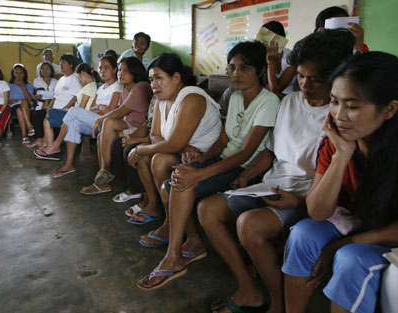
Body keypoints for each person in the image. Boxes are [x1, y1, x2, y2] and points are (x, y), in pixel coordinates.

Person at [198, 29, 355, 313]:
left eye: (314, 79)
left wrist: (297, 201)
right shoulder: (290, 102)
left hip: (305, 195)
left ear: (336, 78)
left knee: (249, 225)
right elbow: (270, 152)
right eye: (301, 76)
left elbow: (333, 182)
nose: (304, 84)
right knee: (208, 209)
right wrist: (248, 176)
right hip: (271, 184)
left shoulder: (339, 118)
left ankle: (279, 304)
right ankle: (249, 288)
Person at [282, 52, 398, 313]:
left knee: (351, 259)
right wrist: (341, 156)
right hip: (363, 218)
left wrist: (349, 242)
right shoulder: (336, 139)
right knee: (303, 234)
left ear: (389, 109)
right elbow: (317, 211)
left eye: (352, 106)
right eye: (335, 102)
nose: (339, 115)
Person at [137, 41, 280, 290]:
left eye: (244, 68)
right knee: (177, 179)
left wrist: (202, 172)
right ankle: (190, 244)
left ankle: (174, 257)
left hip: (245, 168)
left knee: (183, 181)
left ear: (259, 70)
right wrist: (203, 158)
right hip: (223, 159)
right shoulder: (235, 97)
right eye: (232, 67)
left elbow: (246, 152)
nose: (235, 74)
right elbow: (224, 140)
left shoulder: (269, 101)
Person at [122, 53, 221, 225]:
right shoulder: (163, 100)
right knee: (147, 158)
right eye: (151, 80)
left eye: (159, 78)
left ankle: (170, 223)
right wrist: (180, 148)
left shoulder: (191, 98)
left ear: (176, 78)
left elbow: (172, 143)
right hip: (184, 152)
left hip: (206, 156)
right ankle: (154, 206)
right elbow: (154, 135)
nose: (154, 85)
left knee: (157, 159)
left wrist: (140, 149)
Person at [36, 57, 120, 177]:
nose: (103, 71)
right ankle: (69, 164)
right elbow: (93, 108)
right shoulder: (101, 88)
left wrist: (100, 109)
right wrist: (101, 108)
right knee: (74, 123)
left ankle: (56, 145)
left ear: (115, 69)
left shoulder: (117, 86)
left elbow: (111, 110)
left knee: (74, 111)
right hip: (95, 121)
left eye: (107, 68)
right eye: (100, 68)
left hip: (106, 123)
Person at [80, 56, 153, 194]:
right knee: (106, 131)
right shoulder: (125, 88)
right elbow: (119, 112)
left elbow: (120, 112)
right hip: (128, 125)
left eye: (125, 70)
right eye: (119, 70)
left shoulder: (141, 86)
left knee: (107, 126)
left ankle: (104, 172)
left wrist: (98, 119)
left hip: (141, 128)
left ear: (135, 71)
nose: (120, 73)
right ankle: (103, 176)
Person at [34, 62, 98, 162]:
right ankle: (50, 147)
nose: (79, 80)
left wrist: (66, 110)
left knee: (51, 111)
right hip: (76, 113)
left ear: (82, 74)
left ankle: (55, 146)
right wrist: (66, 110)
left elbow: (80, 109)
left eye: (78, 77)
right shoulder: (88, 87)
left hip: (80, 116)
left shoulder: (89, 87)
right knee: (48, 120)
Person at [37, 53, 82, 147]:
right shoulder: (61, 79)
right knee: (46, 121)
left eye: (63, 62)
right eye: (60, 62)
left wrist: (65, 108)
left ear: (71, 64)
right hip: (56, 110)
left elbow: (76, 97)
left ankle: (45, 143)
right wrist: (50, 105)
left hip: (66, 112)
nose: (60, 64)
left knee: (47, 114)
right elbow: (55, 96)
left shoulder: (75, 78)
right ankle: (49, 146)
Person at [262, 21, 297, 99]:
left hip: (292, 97)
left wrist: (271, 62)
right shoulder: (264, 55)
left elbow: (275, 90)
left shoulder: (290, 57)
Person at [28, 62, 58, 148]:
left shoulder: (56, 82)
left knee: (44, 114)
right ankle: (39, 139)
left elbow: (56, 94)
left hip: (54, 104)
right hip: (40, 104)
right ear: (40, 71)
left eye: (47, 68)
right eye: (43, 69)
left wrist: (44, 95)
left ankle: (45, 140)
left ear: (51, 71)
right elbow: (38, 93)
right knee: (35, 114)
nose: (45, 71)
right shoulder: (37, 81)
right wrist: (49, 95)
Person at [8, 63, 34, 144]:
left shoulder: (29, 84)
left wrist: (23, 86)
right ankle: (29, 127)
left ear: (24, 74)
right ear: (13, 74)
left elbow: (30, 99)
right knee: (20, 107)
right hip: (13, 106)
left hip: (26, 106)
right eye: (16, 73)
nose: (19, 75)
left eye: (21, 73)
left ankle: (24, 135)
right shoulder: (9, 85)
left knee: (22, 105)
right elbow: (10, 100)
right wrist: (22, 99)